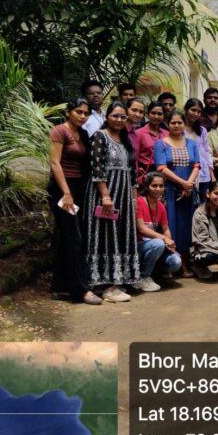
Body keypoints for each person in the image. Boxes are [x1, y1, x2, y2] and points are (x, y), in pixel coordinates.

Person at [83, 101, 140, 302]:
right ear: (107, 117)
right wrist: (105, 196)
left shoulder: (126, 140)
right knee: (104, 235)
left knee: (122, 234)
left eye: (123, 117)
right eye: (115, 116)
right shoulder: (100, 136)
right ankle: (105, 284)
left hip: (124, 195)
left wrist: (134, 199)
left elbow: (133, 173)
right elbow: (96, 168)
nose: (119, 120)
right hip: (105, 194)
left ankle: (119, 280)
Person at [47, 98, 101, 304]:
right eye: (78, 111)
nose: (82, 116)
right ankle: (81, 290)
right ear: (69, 111)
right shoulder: (59, 131)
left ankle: (60, 286)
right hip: (63, 189)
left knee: (67, 238)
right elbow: (55, 163)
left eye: (86, 113)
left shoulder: (83, 134)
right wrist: (66, 193)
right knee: (75, 239)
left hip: (78, 188)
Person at [154, 110, 200, 277]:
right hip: (170, 192)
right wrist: (182, 183)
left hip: (188, 193)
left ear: (184, 124)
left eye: (179, 122)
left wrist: (189, 184)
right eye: (173, 122)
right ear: (167, 124)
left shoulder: (191, 143)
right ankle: (169, 265)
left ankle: (186, 264)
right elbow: (161, 168)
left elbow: (196, 165)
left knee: (186, 228)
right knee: (170, 226)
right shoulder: (161, 144)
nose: (176, 125)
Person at [135, 171, 182, 290]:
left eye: (161, 186)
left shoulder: (160, 206)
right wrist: (164, 239)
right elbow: (141, 228)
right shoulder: (139, 202)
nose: (158, 189)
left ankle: (154, 273)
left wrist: (170, 242)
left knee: (176, 262)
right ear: (147, 186)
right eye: (154, 186)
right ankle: (143, 277)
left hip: (155, 245)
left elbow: (165, 228)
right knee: (159, 244)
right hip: (139, 246)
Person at [183, 98, 215, 202]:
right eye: (193, 110)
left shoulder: (202, 130)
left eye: (198, 111)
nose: (195, 113)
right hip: (187, 172)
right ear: (186, 110)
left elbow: (207, 152)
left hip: (203, 173)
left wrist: (212, 175)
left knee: (202, 205)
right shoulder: (180, 129)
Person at [135, 101, 168, 186]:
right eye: (153, 113)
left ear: (163, 116)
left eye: (159, 114)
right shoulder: (139, 133)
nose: (156, 116)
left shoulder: (167, 134)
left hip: (164, 176)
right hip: (146, 176)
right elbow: (135, 158)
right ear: (147, 114)